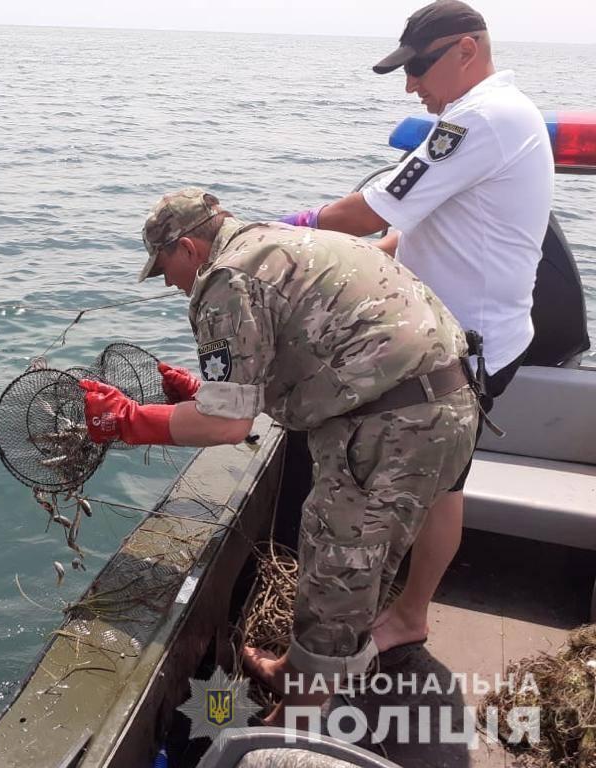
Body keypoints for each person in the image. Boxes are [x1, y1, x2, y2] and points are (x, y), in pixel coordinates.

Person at [79, 188, 478, 725]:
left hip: (391, 426)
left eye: (166, 267)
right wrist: (204, 389)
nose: (170, 283)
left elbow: (227, 424)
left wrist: (127, 421)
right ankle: (298, 675)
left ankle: (299, 726)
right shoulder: (281, 241)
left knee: (338, 572)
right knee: (363, 565)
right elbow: (313, 350)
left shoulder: (225, 279)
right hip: (446, 404)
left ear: (190, 247)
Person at [280, 0, 554, 655]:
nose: (411, 87)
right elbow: (423, 223)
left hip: (466, 350)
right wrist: (371, 257)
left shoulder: (478, 119)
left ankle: (397, 618)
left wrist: (292, 229)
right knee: (443, 489)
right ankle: (407, 610)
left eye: (420, 69)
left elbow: (375, 207)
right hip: (468, 339)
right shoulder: (492, 115)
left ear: (467, 49)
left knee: (424, 491)